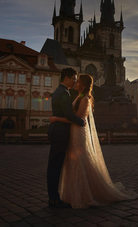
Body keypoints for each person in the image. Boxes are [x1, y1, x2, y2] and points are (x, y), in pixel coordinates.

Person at [50, 74, 138, 209]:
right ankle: (73, 193)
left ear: (83, 85)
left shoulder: (85, 99)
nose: (76, 83)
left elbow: (78, 120)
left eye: (78, 81)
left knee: (80, 161)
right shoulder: (79, 97)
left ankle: (84, 194)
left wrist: (57, 119)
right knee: (74, 161)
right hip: (73, 132)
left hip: (78, 133)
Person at [47, 68, 86, 208]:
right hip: (60, 131)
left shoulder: (60, 91)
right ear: (67, 78)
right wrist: (81, 121)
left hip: (57, 129)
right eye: (74, 78)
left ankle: (53, 197)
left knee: (54, 164)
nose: (75, 81)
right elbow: (69, 115)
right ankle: (54, 198)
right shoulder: (63, 93)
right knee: (55, 165)